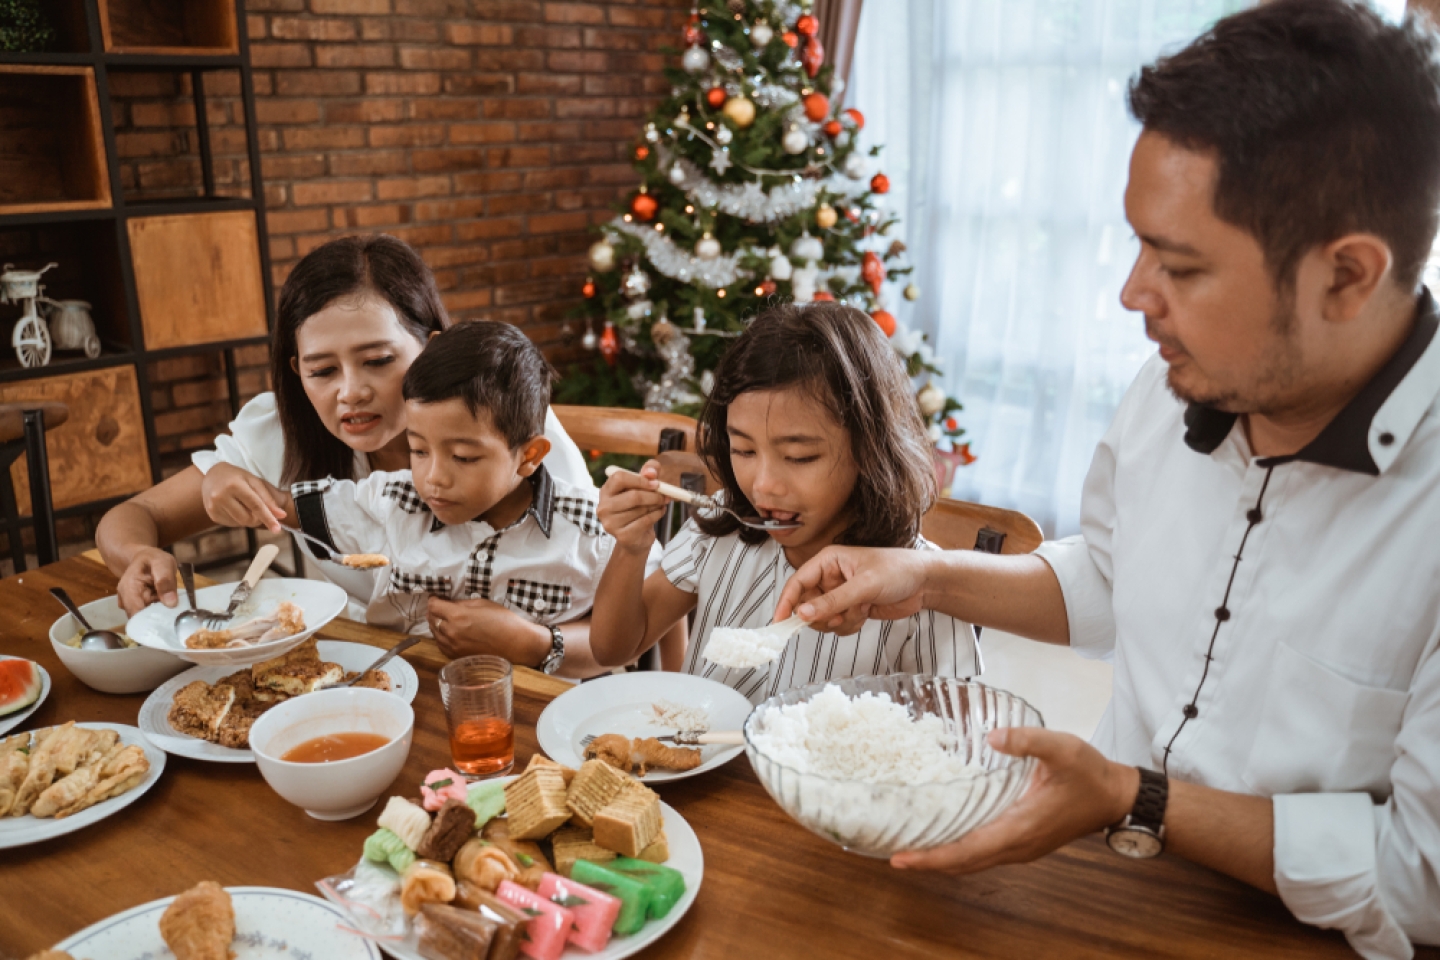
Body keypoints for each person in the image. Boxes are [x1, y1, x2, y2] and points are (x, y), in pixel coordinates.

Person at [775, 3, 1440, 956]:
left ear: (1347, 277)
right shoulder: (1176, 386)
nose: (1134, 295)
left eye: (1179, 264)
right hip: (1109, 879)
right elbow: (1119, 578)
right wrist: (922, 575)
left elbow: (1422, 879)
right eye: (1138, 245)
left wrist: (1143, 798)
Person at [95, 235, 595, 669]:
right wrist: (140, 554)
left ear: (431, 347)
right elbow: (133, 515)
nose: (350, 393)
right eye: (322, 371)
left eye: (377, 360)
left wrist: (535, 642)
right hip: (373, 674)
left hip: (522, 689)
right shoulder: (281, 435)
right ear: (297, 371)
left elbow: (627, 624)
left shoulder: (510, 438)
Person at [591, 302, 976, 702]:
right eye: (743, 450)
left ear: (871, 448)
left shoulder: (921, 584)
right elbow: (614, 648)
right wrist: (631, 547)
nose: (764, 486)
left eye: (799, 457)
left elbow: (950, 733)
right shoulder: (717, 525)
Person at [243, 321, 627, 677]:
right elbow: (289, 507)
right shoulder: (392, 501)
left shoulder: (594, 530)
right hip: (404, 693)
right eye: (419, 450)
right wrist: (236, 488)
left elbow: (626, 640)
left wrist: (535, 643)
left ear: (528, 456)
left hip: (538, 716)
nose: (433, 478)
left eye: (463, 457)